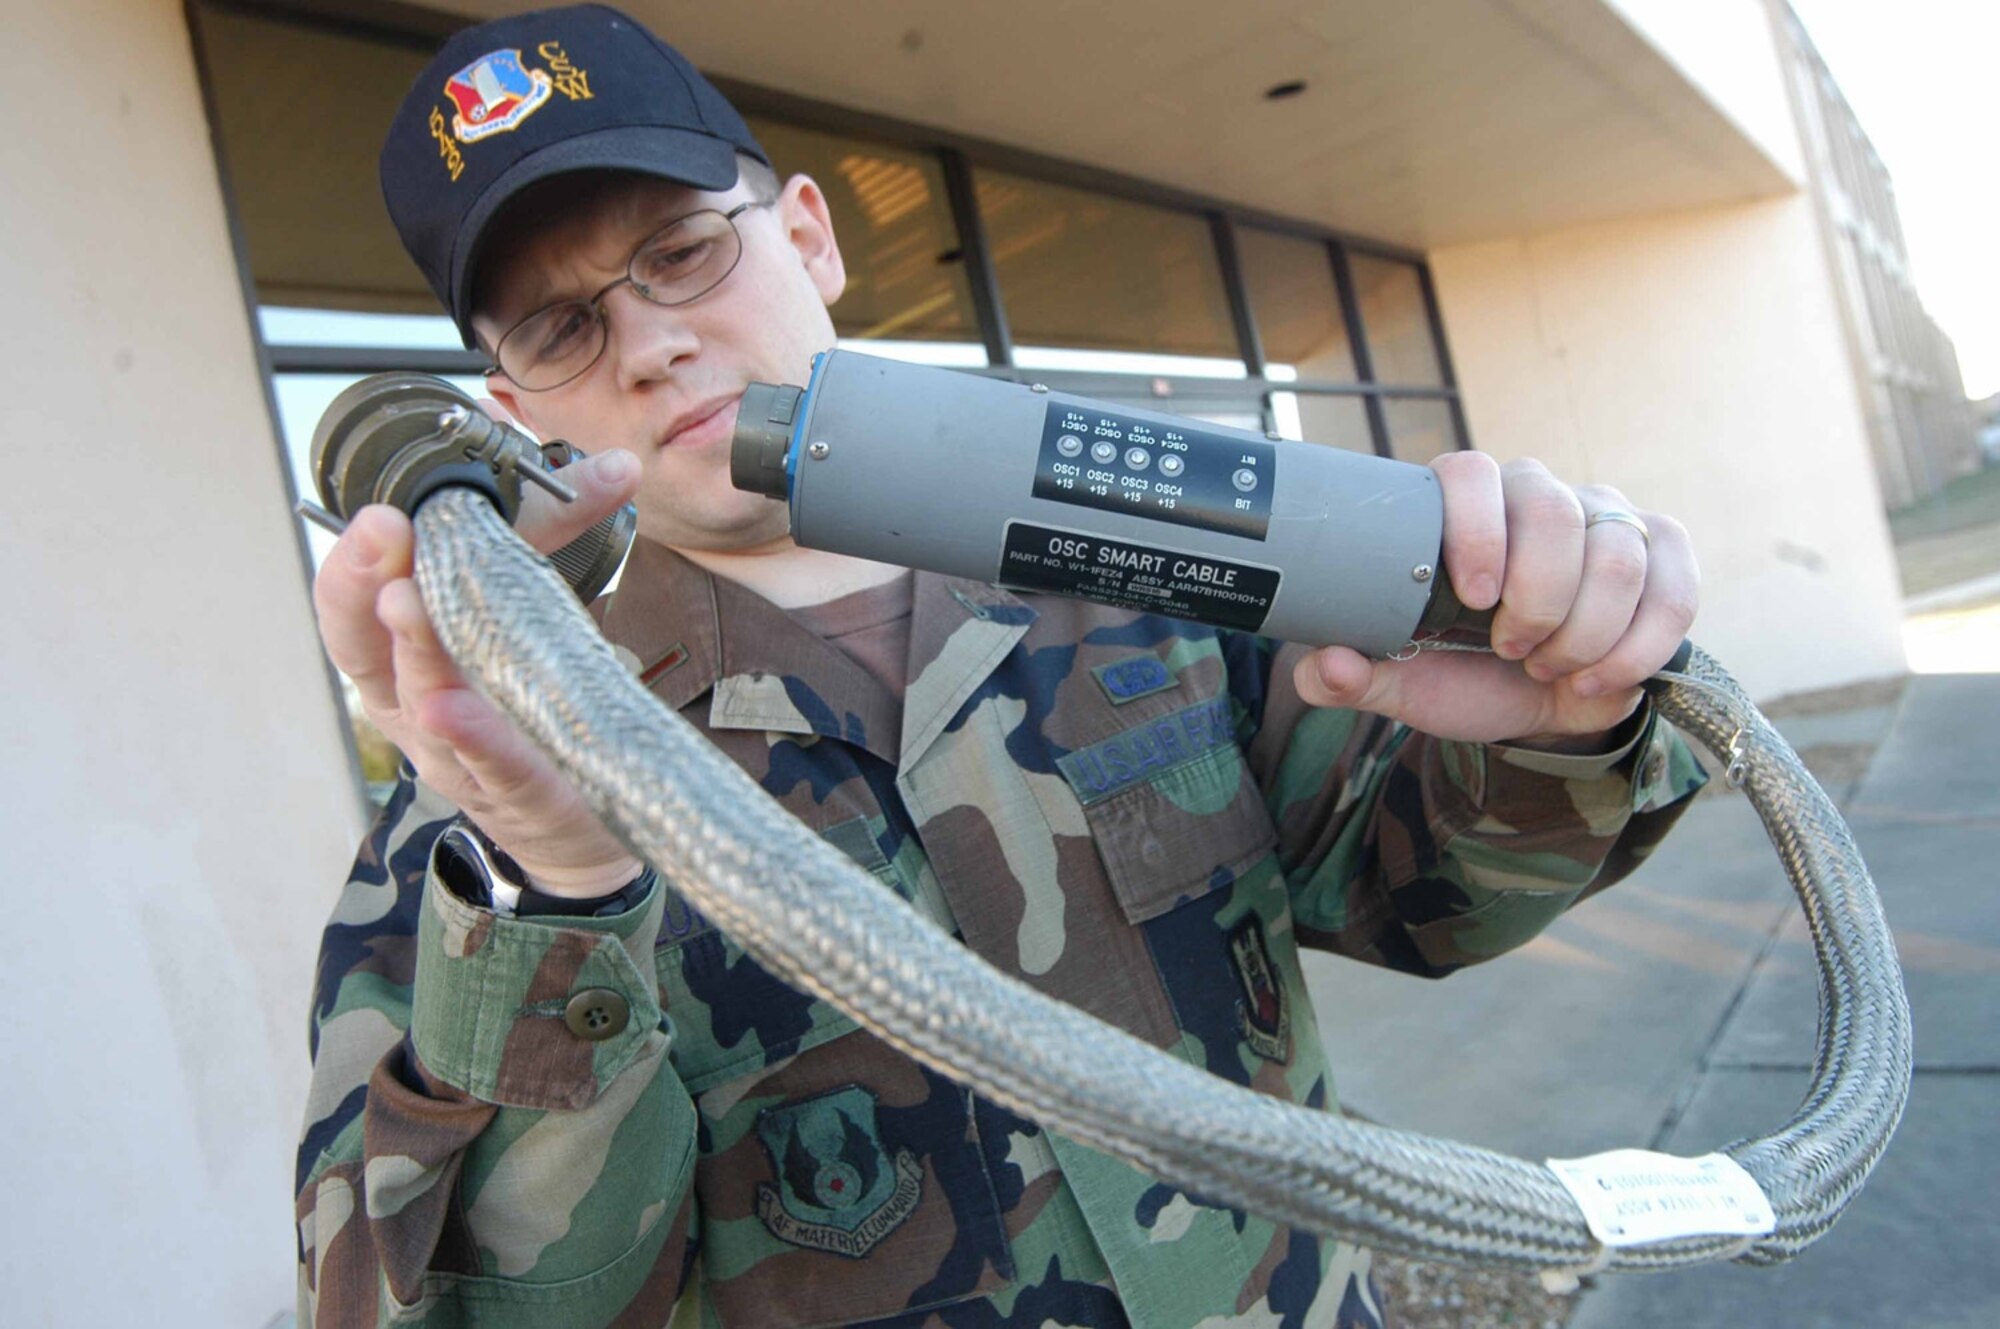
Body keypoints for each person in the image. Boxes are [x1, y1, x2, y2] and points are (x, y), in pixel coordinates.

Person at [295, 6, 1707, 1326]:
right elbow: (449, 1298)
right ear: (510, 407)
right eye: (561, 327)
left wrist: (1557, 724)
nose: (654, 343)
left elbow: (1422, 894)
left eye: (682, 253)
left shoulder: (1133, 569)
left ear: (809, 236)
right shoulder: (496, 805)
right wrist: (561, 884)